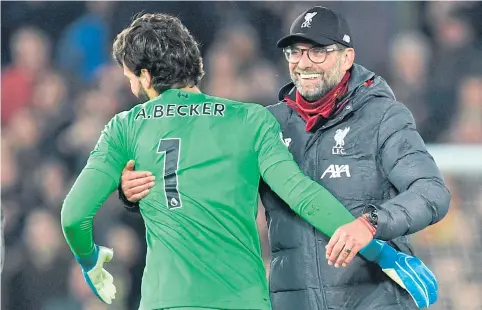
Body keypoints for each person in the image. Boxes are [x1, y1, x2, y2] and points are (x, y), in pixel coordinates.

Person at [119, 6, 450, 310]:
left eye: (318, 51)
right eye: (295, 52)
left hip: (375, 300)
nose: (304, 63)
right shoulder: (267, 123)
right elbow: (200, 180)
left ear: (347, 57)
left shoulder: (383, 118)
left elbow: (431, 193)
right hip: (294, 301)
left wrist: (371, 223)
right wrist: (134, 189)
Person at [60, 12, 387, 310]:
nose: (131, 86)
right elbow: (302, 194)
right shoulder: (250, 119)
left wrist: (90, 259)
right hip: (241, 299)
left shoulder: (125, 127)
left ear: (145, 77)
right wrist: (378, 251)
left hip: (167, 300)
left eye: (130, 76)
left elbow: (74, 216)